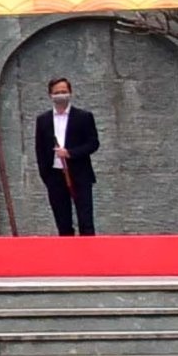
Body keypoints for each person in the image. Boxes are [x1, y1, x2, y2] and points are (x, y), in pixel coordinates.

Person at [34, 77, 102, 237]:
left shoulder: (84, 117)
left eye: (64, 92)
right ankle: (68, 257)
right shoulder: (43, 120)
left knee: (85, 221)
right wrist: (46, 175)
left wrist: (70, 153)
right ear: (50, 95)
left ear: (70, 93)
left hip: (80, 174)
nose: (60, 95)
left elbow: (93, 143)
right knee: (63, 221)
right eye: (57, 92)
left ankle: (90, 256)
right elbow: (40, 149)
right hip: (55, 176)